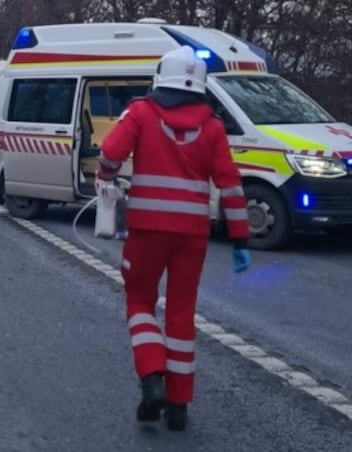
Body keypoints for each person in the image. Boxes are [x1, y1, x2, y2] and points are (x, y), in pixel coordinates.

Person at [97, 45, 252, 432]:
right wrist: (240, 238)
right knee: (182, 312)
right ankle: (179, 407)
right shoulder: (214, 127)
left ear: (160, 78)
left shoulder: (141, 113)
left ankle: (152, 380)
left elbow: (110, 153)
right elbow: (230, 185)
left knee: (139, 301)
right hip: (192, 236)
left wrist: (106, 177)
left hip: (148, 231)